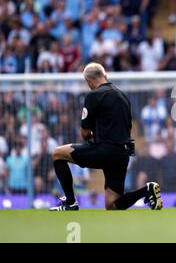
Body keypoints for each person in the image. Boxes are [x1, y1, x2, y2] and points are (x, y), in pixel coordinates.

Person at [50, 63, 162, 211]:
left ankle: (70, 203)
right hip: (122, 154)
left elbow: (84, 133)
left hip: (104, 150)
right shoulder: (123, 96)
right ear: (105, 76)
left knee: (58, 153)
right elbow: (129, 127)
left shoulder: (93, 96)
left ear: (88, 81)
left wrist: (91, 139)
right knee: (112, 205)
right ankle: (147, 190)